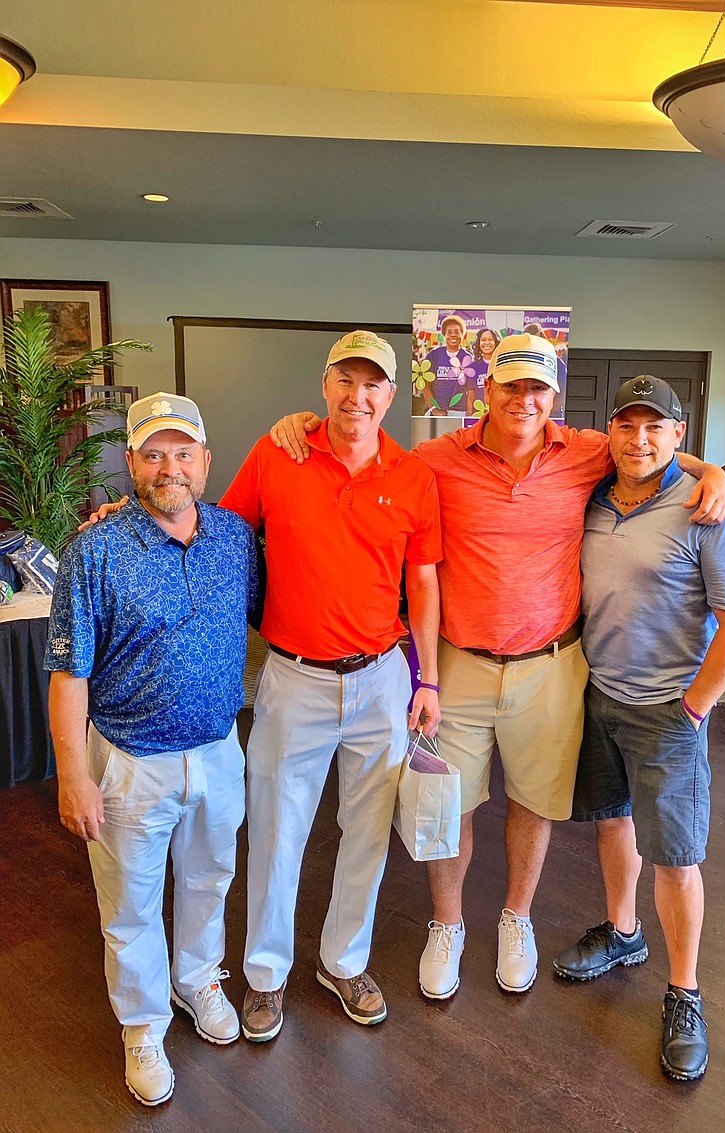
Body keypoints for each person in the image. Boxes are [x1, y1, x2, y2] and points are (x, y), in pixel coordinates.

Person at [272, 335, 725, 1004]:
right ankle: (448, 923)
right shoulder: (437, 458)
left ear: (555, 397)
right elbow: (367, 447)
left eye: (538, 389)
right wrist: (306, 426)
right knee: (448, 802)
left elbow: (650, 445)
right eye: (512, 386)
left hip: (550, 664)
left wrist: (710, 471)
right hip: (460, 662)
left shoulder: (584, 451)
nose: (525, 399)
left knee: (533, 799)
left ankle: (516, 917)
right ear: (486, 390)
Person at [220, 330, 442, 1039]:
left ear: (389, 395)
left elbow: (423, 581)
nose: (358, 395)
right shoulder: (276, 453)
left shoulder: (412, 476)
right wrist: (130, 517)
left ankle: (343, 961)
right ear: (325, 387)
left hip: (381, 677)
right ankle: (263, 975)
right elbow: (221, 532)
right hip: (292, 680)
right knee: (278, 832)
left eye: (373, 383)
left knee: (367, 832)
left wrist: (427, 676)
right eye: (345, 380)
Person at [46, 393, 259, 1107]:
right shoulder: (94, 550)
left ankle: (197, 977)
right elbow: (69, 672)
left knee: (209, 878)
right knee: (131, 904)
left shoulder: (235, 537)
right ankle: (142, 1023)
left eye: (183, 452)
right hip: (130, 760)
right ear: (133, 462)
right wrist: (72, 774)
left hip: (220, 750)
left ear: (205, 462)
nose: (170, 466)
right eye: (154, 453)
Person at [552, 375, 725, 1082]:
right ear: (609, 431)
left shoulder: (712, 513)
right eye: (627, 426)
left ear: (678, 434)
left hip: (670, 710)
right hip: (600, 694)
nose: (639, 440)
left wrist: (696, 706)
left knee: (674, 856)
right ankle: (624, 933)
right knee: (613, 823)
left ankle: (685, 991)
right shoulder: (596, 494)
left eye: (655, 428)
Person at [424, 314, 474, 415]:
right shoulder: (434, 355)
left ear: (462, 334)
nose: (453, 335)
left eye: (457, 332)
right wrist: (434, 409)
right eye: (449, 332)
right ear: (444, 334)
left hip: (459, 411)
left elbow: (471, 390)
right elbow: (425, 385)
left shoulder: (468, 357)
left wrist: (469, 412)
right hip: (435, 410)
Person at [469, 327, 500, 415]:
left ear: (496, 342)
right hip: (478, 414)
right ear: (479, 343)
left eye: (490, 339)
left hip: (498, 413)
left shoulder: (501, 365)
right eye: (483, 340)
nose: (486, 343)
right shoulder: (472, 367)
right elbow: (470, 393)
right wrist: (469, 413)